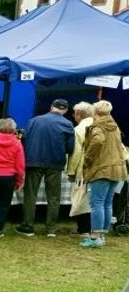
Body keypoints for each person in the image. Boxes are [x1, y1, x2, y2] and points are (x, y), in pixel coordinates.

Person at [18, 99, 75, 237]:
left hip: (33, 161)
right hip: (55, 163)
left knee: (30, 194)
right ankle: (51, 229)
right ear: (65, 110)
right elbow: (70, 148)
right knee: (54, 197)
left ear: (51, 107)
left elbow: (24, 140)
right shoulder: (68, 124)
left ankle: (28, 226)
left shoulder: (34, 121)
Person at [82, 100, 129, 248]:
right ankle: (102, 236)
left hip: (102, 169)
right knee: (107, 203)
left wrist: (88, 159)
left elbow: (98, 141)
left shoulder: (98, 127)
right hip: (117, 169)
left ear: (95, 112)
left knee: (96, 203)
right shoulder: (114, 126)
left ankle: (95, 237)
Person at [67, 102, 95, 239]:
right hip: (100, 168)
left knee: (80, 198)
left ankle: (83, 228)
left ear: (79, 114)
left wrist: (71, 171)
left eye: (74, 113)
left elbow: (76, 153)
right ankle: (96, 229)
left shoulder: (79, 129)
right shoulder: (101, 125)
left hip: (84, 168)